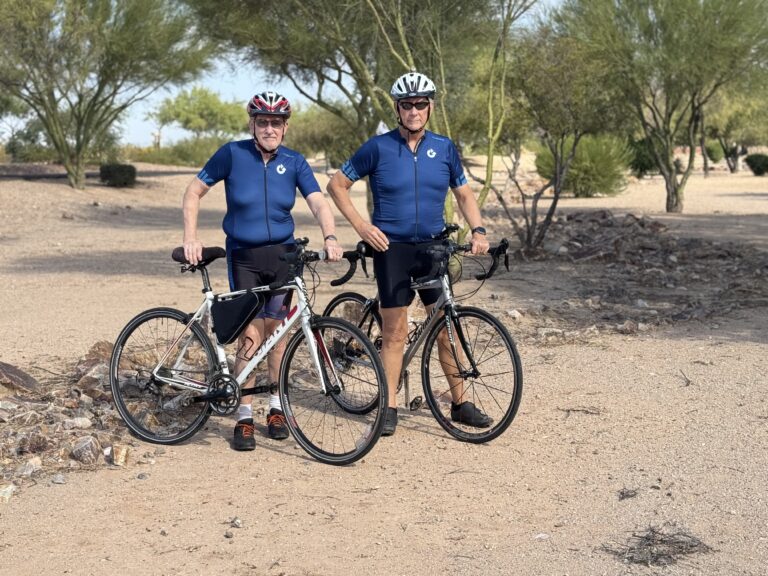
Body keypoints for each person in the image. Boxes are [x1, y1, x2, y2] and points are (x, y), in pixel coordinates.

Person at [326, 71, 491, 436]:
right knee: (395, 331)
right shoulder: (377, 147)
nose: (414, 111)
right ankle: (389, 406)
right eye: (407, 104)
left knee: (445, 327)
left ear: (430, 107)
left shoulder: (444, 148)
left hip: (432, 248)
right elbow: (336, 185)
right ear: (397, 108)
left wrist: (478, 229)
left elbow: (464, 194)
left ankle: (460, 403)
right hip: (392, 250)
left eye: (420, 104)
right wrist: (362, 227)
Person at [182, 91, 343, 451]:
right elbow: (193, 192)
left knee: (278, 334)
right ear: (252, 124)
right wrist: (191, 237)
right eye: (263, 122)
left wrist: (330, 236)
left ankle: (275, 408)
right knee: (252, 335)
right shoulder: (232, 154)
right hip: (244, 257)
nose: (270, 128)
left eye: (276, 122)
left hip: (283, 257)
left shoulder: (295, 161)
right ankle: (244, 415)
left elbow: (318, 202)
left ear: (285, 127)